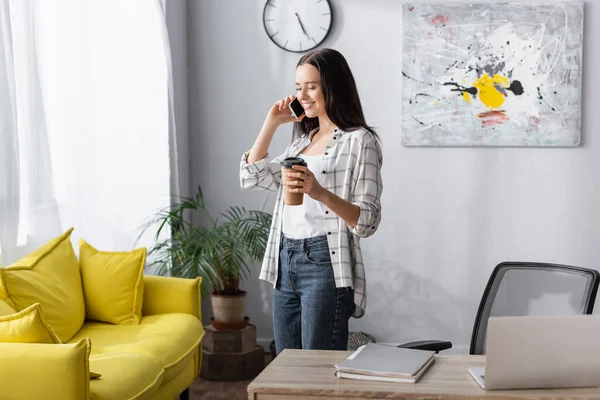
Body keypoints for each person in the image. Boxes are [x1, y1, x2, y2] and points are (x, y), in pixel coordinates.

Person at [239, 48, 383, 355]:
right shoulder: (303, 140)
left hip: (324, 262)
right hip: (285, 257)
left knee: (317, 368)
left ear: (333, 86)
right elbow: (252, 177)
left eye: (311, 86)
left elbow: (367, 221)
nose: (302, 95)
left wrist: (319, 192)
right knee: (286, 364)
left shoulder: (359, 141)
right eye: (297, 87)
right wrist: (271, 123)